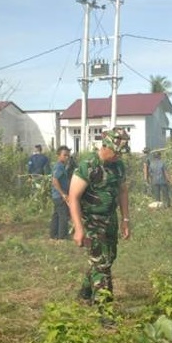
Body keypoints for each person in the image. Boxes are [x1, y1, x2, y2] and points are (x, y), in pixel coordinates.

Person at [69, 129, 131, 303]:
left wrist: (126, 220)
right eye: (117, 152)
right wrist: (79, 229)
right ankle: (104, 309)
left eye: (121, 153)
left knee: (107, 258)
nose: (119, 156)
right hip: (91, 222)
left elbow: (123, 192)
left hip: (110, 220)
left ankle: (85, 293)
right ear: (105, 146)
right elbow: (73, 197)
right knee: (102, 264)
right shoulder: (88, 165)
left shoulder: (118, 165)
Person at [49, 146, 72, 240]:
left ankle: (53, 235)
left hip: (57, 196)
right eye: (64, 155)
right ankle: (62, 236)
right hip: (59, 196)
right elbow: (55, 180)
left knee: (56, 215)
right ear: (59, 156)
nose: (67, 157)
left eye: (68, 155)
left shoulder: (62, 166)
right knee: (63, 216)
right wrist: (63, 194)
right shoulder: (59, 166)